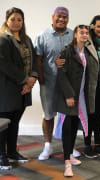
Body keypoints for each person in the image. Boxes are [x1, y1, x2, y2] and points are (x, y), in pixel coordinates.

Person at [34, 7, 80, 160]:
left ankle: (70, 146)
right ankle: (47, 146)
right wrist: (41, 80)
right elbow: (38, 59)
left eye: (65, 17)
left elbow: (79, 57)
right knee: (48, 115)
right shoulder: (42, 36)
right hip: (49, 83)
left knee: (69, 116)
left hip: (68, 84)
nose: (62, 19)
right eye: (59, 16)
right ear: (52, 17)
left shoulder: (74, 35)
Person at [55, 25, 98, 177]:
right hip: (69, 96)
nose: (85, 35)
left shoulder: (85, 51)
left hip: (80, 97)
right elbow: (61, 74)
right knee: (67, 128)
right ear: (75, 35)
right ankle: (67, 163)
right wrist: (68, 95)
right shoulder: (67, 51)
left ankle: (70, 155)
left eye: (87, 33)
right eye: (81, 32)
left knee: (74, 127)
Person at [0, 7, 37, 170]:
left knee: (15, 122)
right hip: (7, 89)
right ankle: (1, 156)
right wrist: (24, 80)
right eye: (13, 19)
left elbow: (34, 61)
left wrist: (32, 79)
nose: (16, 22)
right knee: (3, 125)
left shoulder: (26, 39)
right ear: (7, 20)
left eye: (19, 19)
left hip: (24, 89)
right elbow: (4, 64)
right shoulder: (3, 39)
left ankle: (13, 152)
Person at [82, 15, 100, 158]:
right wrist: (89, 28)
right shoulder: (87, 42)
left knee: (99, 116)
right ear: (93, 27)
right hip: (90, 86)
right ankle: (87, 144)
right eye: (98, 26)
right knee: (89, 116)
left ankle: (98, 144)